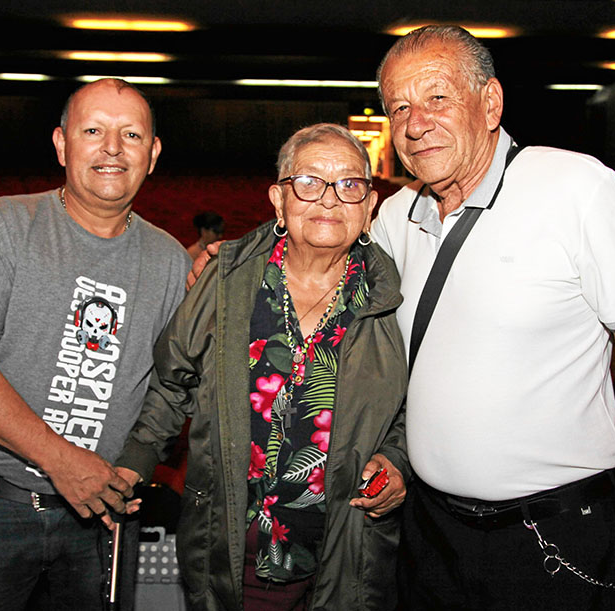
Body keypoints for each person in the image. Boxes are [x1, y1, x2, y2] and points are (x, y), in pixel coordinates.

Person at [370, 25, 615, 609]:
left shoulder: (578, 189)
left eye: (437, 98)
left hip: (554, 536)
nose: (415, 122)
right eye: (398, 106)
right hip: (428, 535)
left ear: (491, 102)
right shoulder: (395, 217)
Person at [0, 78, 191, 610]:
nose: (113, 148)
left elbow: (170, 391)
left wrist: (130, 470)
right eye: (93, 130)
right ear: (62, 144)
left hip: (103, 518)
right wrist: (64, 462)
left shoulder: (170, 261)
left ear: (152, 155)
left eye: (131, 135)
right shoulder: (4, 224)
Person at [115, 124, 410, 610]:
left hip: (342, 551)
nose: (329, 200)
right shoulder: (226, 280)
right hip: (228, 547)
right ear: (278, 199)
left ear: (370, 205)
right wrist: (134, 464)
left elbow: (408, 409)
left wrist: (396, 463)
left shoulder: (391, 296)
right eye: (309, 181)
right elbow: (173, 382)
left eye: (349, 185)